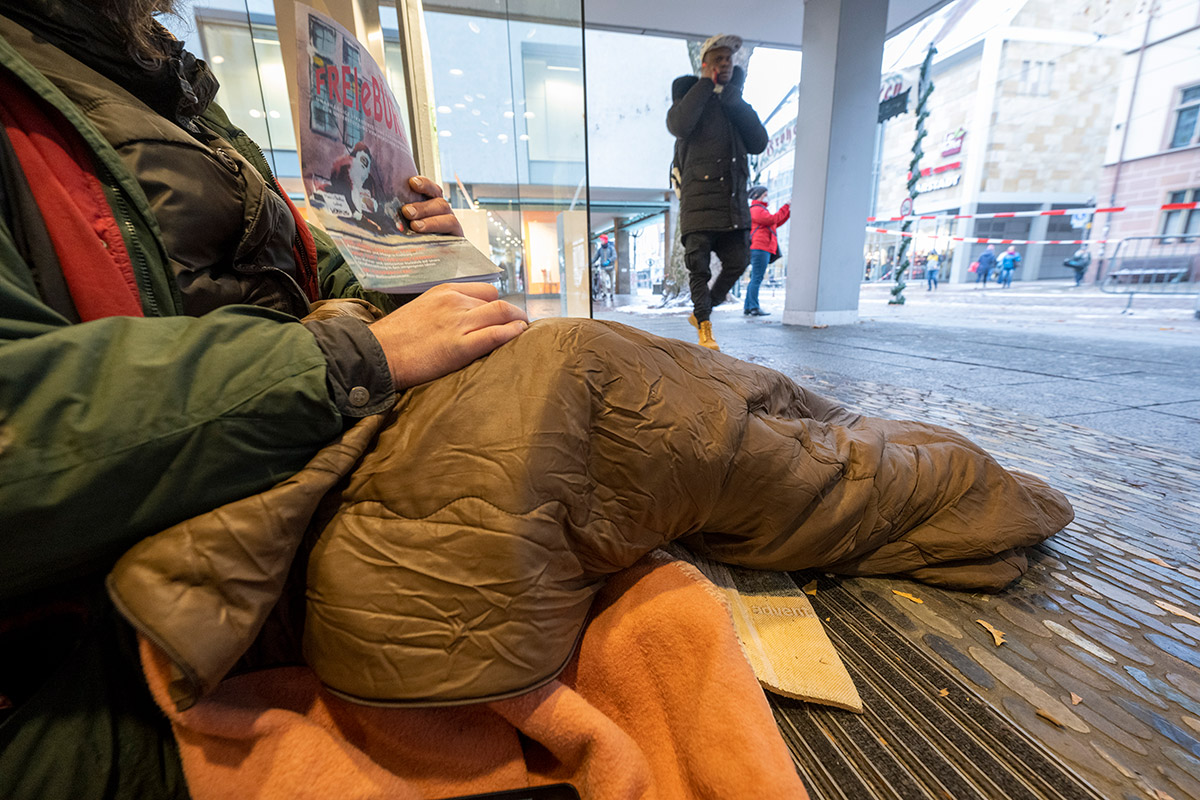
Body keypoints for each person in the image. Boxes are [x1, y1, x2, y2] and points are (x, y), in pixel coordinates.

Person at [0, 4, 1074, 798]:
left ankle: (872, 456)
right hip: (198, 513)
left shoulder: (135, 75)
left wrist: (409, 254)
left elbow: (305, 294)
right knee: (598, 391)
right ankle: (944, 494)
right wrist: (348, 362)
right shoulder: (53, 73)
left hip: (275, 430)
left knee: (645, 374)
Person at [666, 33, 767, 350]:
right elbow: (679, 125)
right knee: (699, 268)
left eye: (730, 59)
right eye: (719, 58)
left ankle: (704, 309)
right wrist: (706, 85)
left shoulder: (734, 102)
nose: (726, 63)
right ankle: (705, 328)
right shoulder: (691, 100)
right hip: (698, 204)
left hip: (732, 204)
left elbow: (759, 142)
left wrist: (733, 98)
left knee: (739, 261)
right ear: (705, 63)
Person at [744, 185, 789, 316]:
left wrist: (787, 212)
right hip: (760, 247)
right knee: (757, 278)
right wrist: (786, 206)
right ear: (758, 196)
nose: (767, 197)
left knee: (755, 278)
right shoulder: (757, 209)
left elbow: (776, 222)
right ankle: (754, 307)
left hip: (761, 247)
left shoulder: (761, 210)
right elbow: (773, 220)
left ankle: (749, 306)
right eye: (765, 195)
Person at [591, 233, 616, 303]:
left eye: (602, 240)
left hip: (611, 268)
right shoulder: (600, 250)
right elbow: (595, 257)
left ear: (605, 240)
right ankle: (605, 293)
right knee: (603, 281)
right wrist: (590, 262)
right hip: (603, 268)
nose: (601, 241)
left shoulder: (611, 248)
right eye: (600, 240)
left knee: (612, 282)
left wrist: (609, 260)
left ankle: (611, 294)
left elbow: (614, 256)